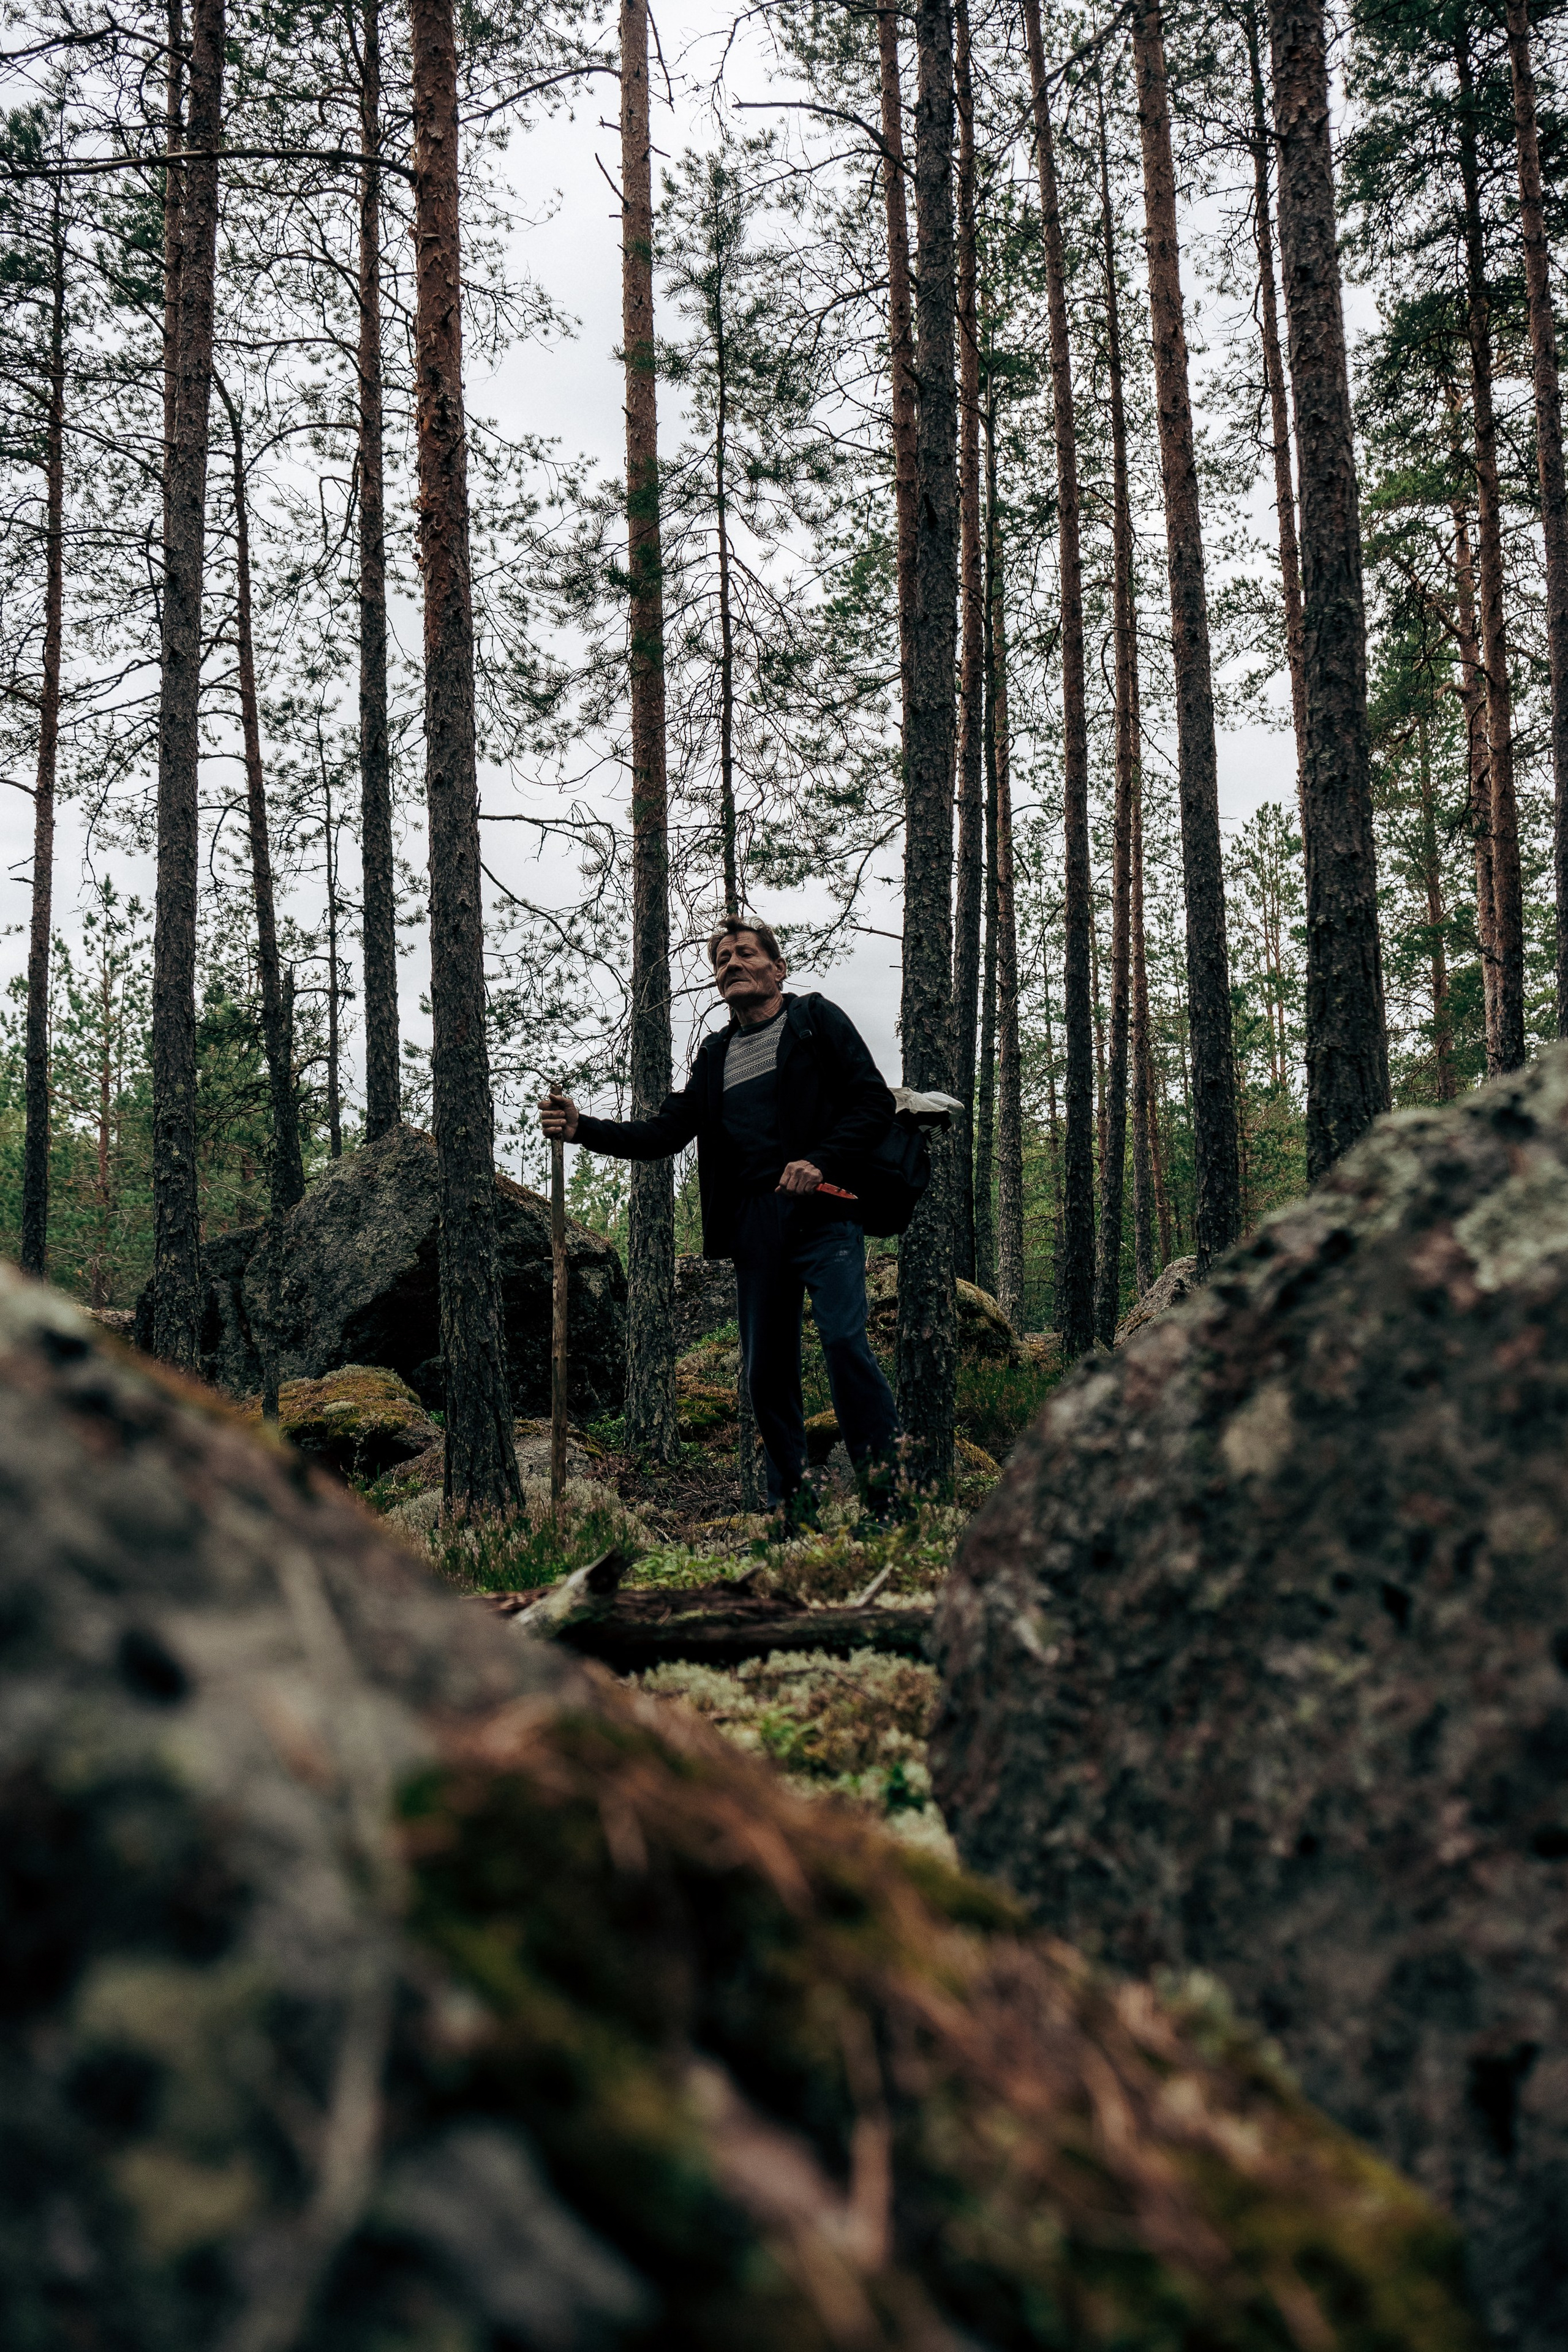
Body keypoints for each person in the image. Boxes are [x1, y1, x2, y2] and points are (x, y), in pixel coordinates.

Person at [540, 918, 902, 1517]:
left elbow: (872, 1102)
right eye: (721, 959)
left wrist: (820, 1159)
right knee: (766, 1373)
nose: (731, 963)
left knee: (843, 1342)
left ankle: (889, 1500)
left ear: (778, 969)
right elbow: (664, 1133)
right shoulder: (716, 1054)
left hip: (824, 1210)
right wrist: (584, 1129)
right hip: (755, 1225)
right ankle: (790, 1511)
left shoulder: (814, 1020)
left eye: (745, 954)